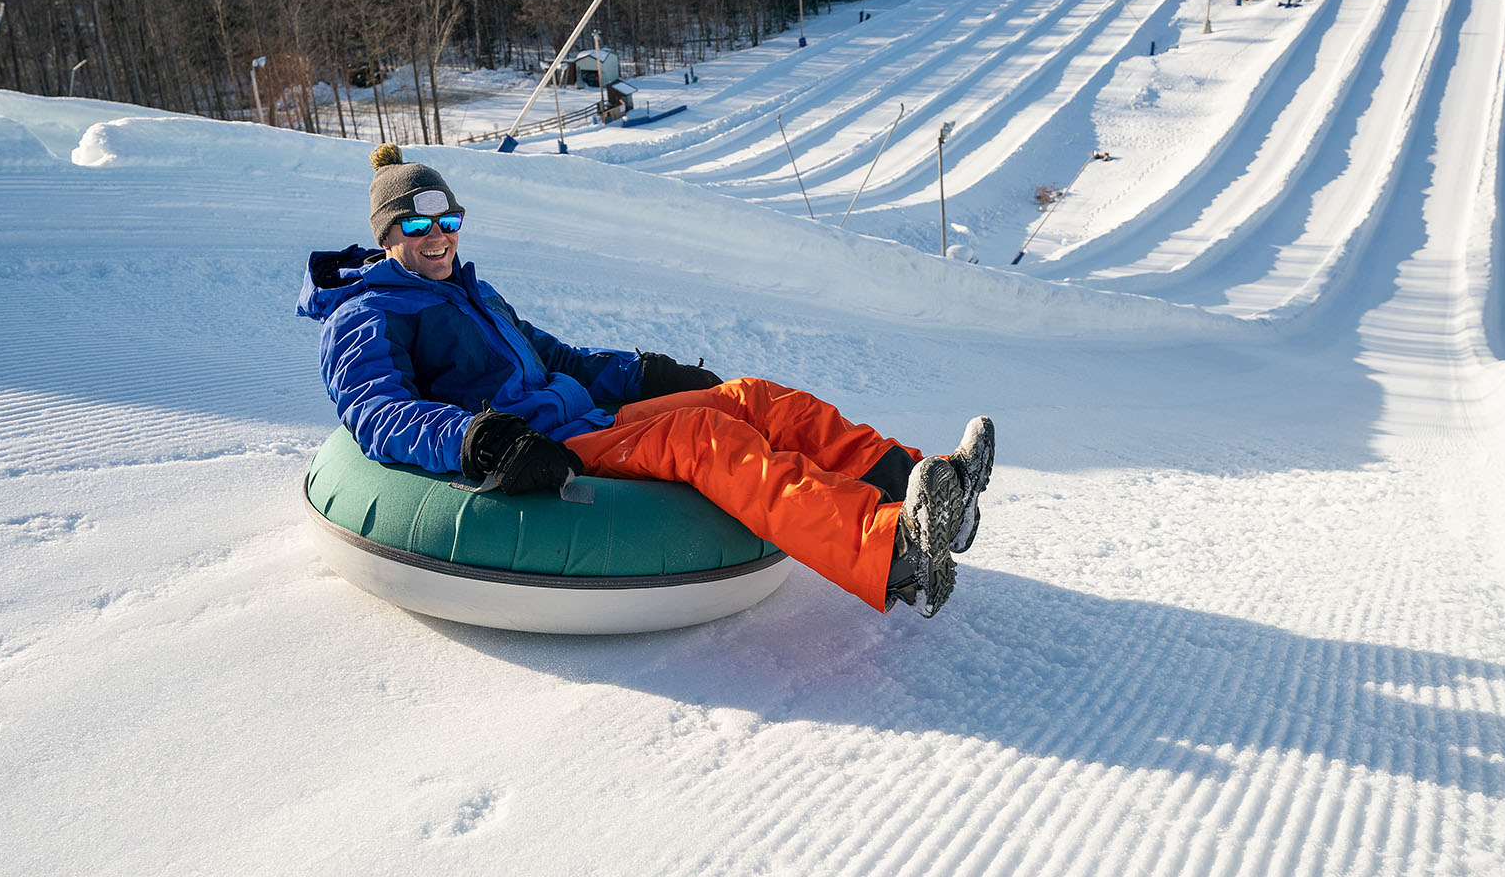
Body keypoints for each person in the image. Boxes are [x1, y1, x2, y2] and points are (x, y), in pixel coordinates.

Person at [297, 145, 996, 617]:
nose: (438, 234)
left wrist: (642, 372)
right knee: (704, 436)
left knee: (753, 398)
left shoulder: (469, 292)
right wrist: (480, 439)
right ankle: (895, 557)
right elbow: (376, 411)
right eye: (417, 223)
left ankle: (923, 487)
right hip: (538, 447)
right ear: (389, 233)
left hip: (583, 419)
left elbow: (556, 358)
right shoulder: (367, 312)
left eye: (448, 218)